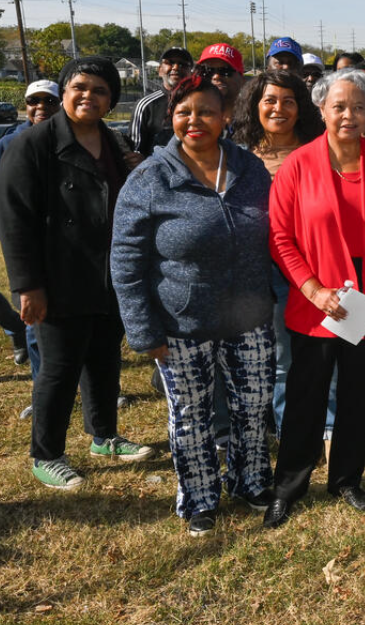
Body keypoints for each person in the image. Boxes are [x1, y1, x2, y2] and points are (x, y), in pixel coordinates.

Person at [110, 75, 274, 536]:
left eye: (206, 112)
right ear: (171, 118)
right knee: (191, 414)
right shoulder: (149, 178)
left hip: (250, 316)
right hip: (181, 322)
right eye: (184, 112)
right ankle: (199, 496)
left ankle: (250, 479)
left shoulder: (248, 168)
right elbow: (125, 261)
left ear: (225, 118)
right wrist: (144, 332)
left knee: (253, 405)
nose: (194, 120)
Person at [0, 56, 154, 490]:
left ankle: (103, 436)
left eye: (100, 90)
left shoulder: (113, 142)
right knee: (59, 367)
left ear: (111, 100)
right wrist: (28, 286)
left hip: (109, 274)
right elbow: (14, 220)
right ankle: (46, 453)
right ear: (64, 91)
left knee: (104, 359)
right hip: (58, 275)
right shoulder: (33, 144)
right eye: (80, 86)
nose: (89, 96)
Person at [263, 69, 365, 527]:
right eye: (339, 106)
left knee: (358, 395)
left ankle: (346, 478)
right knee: (306, 393)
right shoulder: (298, 166)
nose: (349, 115)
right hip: (316, 295)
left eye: (359, 106)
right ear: (321, 110)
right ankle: (288, 485)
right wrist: (312, 288)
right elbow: (281, 238)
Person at [232, 70, 324, 433]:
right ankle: (291, 434)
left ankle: (325, 428)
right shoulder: (238, 156)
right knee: (279, 358)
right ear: (255, 106)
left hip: (310, 266)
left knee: (315, 355)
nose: (279, 109)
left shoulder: (319, 151)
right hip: (257, 269)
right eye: (269, 100)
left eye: (289, 101)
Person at [0, 79, 61, 378]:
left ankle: (96, 391)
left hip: (69, 243)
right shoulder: (8, 144)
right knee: (34, 318)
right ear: (26, 106)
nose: (41, 107)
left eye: (49, 101)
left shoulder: (72, 139)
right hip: (28, 246)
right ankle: (41, 386)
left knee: (79, 318)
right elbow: (1, 198)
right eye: (35, 101)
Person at [131, 47, 193, 156]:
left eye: (183, 64)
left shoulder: (200, 103)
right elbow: (135, 152)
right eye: (170, 63)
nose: (176, 67)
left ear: (191, 72)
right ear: (159, 70)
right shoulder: (146, 105)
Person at [196, 43, 246, 126]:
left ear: (242, 80)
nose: (216, 76)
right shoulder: (191, 120)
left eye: (225, 71)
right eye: (207, 71)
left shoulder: (256, 119)